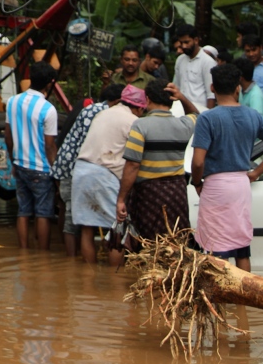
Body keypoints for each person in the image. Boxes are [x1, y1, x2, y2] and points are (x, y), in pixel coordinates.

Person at [190, 63, 263, 270]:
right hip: (241, 185)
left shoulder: (207, 118)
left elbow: (198, 161)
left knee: (215, 250)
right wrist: (255, 173)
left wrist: (196, 182)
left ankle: (218, 301)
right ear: (237, 89)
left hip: (216, 186)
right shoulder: (252, 115)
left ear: (213, 88)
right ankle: (242, 303)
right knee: (241, 247)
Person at [115, 84, 196, 259]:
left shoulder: (141, 125)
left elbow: (132, 165)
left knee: (149, 248)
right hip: (177, 194)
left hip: (149, 194)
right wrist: (182, 97)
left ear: (147, 100)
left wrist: (121, 198)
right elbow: (196, 115)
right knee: (176, 246)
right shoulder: (183, 125)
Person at [73, 84, 145, 265]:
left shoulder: (103, 113)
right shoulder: (132, 121)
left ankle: (87, 285)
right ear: (138, 107)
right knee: (117, 231)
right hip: (104, 174)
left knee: (87, 230)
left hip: (81, 170)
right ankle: (114, 284)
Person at [51, 83, 120, 257]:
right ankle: (73, 257)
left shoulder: (93, 110)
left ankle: (72, 260)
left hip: (71, 167)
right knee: (78, 219)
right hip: (77, 169)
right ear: (118, 101)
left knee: (73, 217)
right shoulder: (101, 113)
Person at [4, 62, 60, 251]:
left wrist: (13, 159)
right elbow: (50, 146)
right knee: (43, 213)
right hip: (41, 169)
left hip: (20, 164)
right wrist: (57, 171)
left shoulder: (12, 101)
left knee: (23, 211)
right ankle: (42, 256)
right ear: (48, 84)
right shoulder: (48, 109)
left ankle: (24, 253)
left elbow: (8, 135)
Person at [172, 23, 216, 114]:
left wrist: (209, 118)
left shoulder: (207, 62)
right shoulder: (180, 60)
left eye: (186, 42)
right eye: (181, 43)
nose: (183, 46)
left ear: (196, 40)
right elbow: (177, 87)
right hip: (180, 111)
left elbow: (211, 95)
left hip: (200, 112)